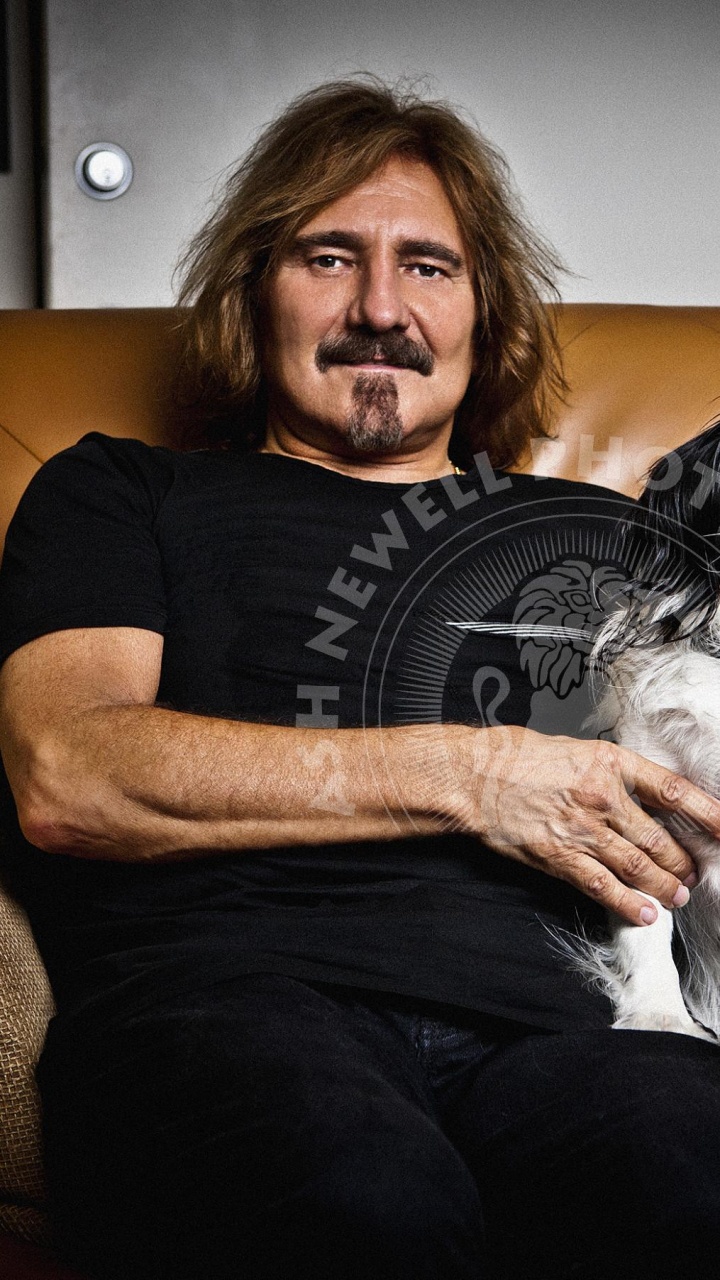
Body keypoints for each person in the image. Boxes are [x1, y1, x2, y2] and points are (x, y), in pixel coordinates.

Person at [0, 78, 719, 1280]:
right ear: (255, 294)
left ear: (485, 311)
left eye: (428, 267)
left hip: (578, 1032)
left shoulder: (605, 536)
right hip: (233, 1006)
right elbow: (70, 772)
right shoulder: (123, 492)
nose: (380, 308)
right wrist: (472, 776)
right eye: (329, 257)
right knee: (368, 1207)